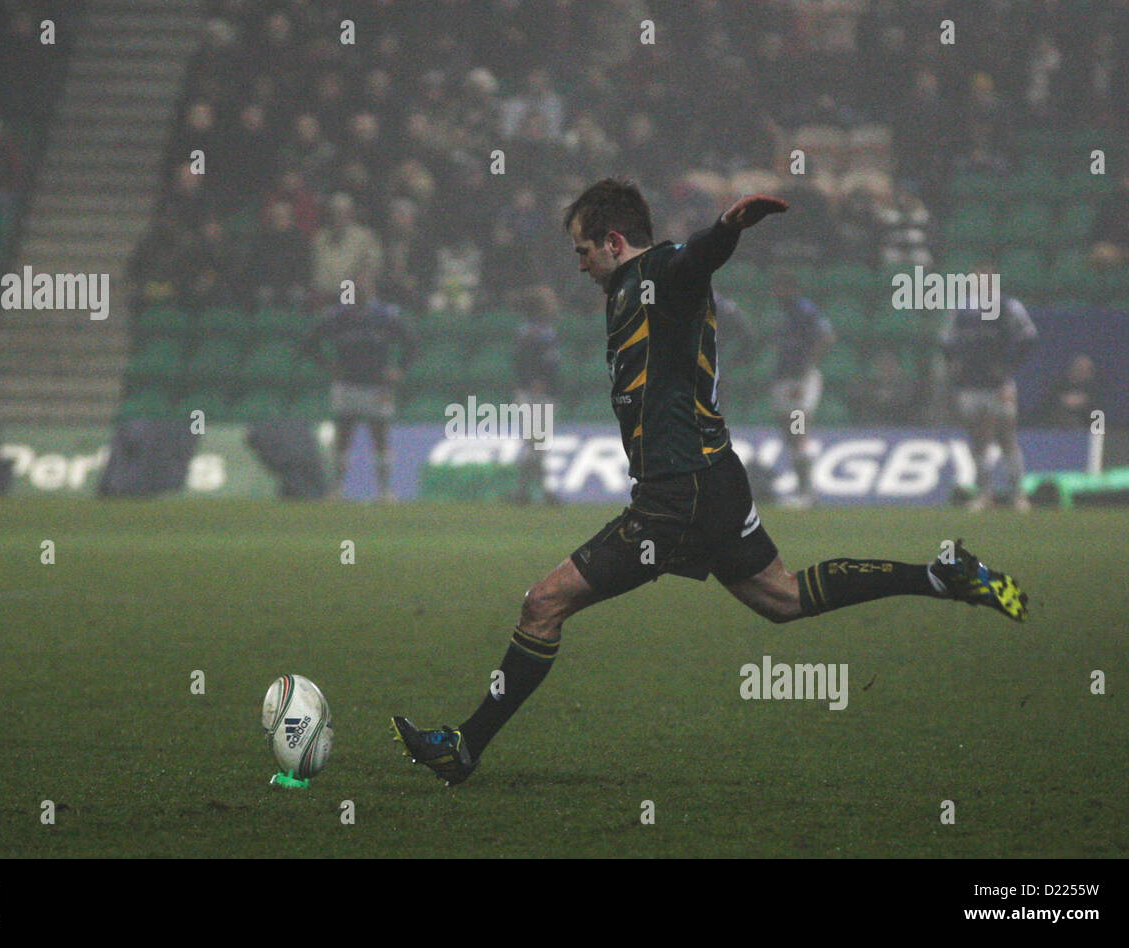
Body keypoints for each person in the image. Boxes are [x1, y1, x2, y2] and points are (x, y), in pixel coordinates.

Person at [393, 178, 1028, 786]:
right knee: (782, 599)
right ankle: (942, 576)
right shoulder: (627, 293)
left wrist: (727, 228)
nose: (578, 264)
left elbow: (693, 261)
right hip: (715, 475)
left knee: (543, 602)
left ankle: (464, 748)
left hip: (680, 491)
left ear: (614, 241)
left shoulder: (658, 273)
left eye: (583, 250)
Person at [302, 273, 413, 501]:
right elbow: (309, 340)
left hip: (377, 386)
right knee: (343, 438)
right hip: (347, 384)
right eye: (356, 287)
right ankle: (336, 490)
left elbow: (412, 342)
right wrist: (327, 365)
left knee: (380, 438)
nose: (360, 291)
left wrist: (400, 368)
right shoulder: (338, 316)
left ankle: (384, 491)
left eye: (364, 286)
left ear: (371, 290)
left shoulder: (385, 315)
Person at [939, 266, 1039, 512]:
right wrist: (953, 363)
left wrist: (1008, 368)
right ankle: (985, 494)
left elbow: (1029, 337)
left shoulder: (1007, 306)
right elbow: (945, 339)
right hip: (969, 384)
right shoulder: (962, 309)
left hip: (998, 385)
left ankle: (1018, 494)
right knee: (977, 439)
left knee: (1006, 436)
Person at [768, 271, 834, 507]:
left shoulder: (804, 310)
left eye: (779, 288)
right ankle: (801, 489)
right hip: (784, 379)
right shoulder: (783, 315)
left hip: (799, 380)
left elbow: (826, 337)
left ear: (790, 289)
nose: (775, 293)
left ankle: (807, 493)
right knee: (789, 432)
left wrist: (806, 371)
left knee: (798, 429)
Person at [511, 284, 562, 506]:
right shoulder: (530, 332)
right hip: (534, 393)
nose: (554, 304)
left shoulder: (545, 330)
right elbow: (522, 362)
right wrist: (534, 382)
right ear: (540, 307)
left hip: (544, 392)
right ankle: (537, 491)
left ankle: (525, 491)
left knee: (536, 444)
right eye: (549, 301)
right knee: (536, 443)